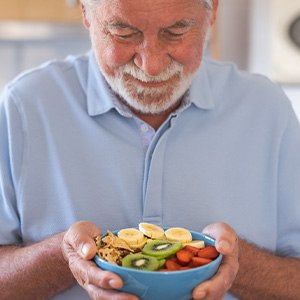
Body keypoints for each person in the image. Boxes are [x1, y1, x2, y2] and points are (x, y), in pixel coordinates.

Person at [0, 0, 300, 299]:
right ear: (85, 14)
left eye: (177, 31)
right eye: (123, 32)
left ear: (213, 13)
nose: (151, 65)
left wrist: (231, 262)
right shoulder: (23, 108)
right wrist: (63, 257)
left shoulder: (267, 110)